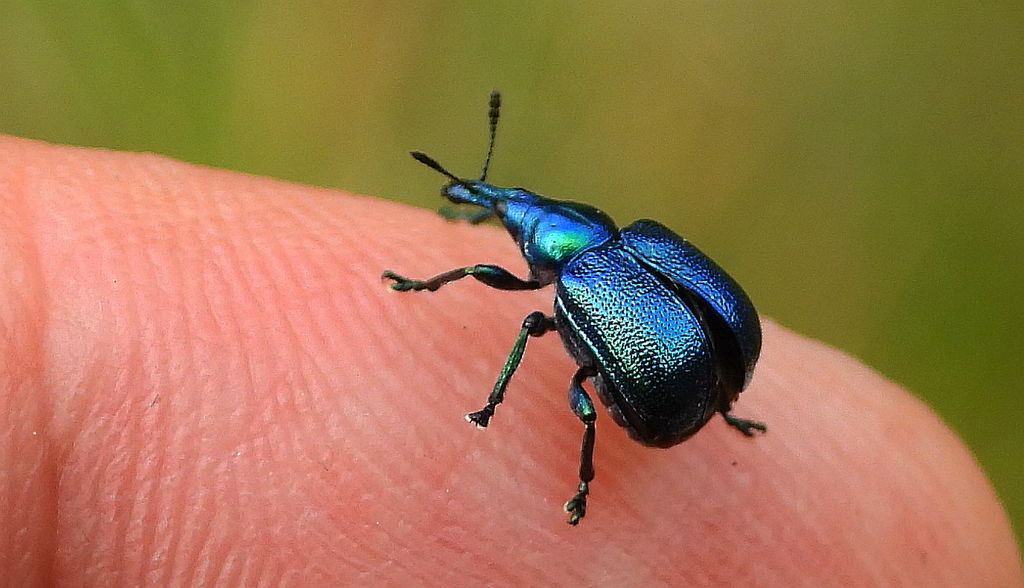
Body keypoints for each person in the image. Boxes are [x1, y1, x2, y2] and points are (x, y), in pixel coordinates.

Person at [2, 136, 1020, 586]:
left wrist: (481, 387)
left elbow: (617, 321)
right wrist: (482, 207)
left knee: (566, 381)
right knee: (573, 369)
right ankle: (725, 415)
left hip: (676, 386)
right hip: (702, 373)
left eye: (511, 219)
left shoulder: (575, 286)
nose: (506, 223)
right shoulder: (616, 248)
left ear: (543, 241)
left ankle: (585, 481)